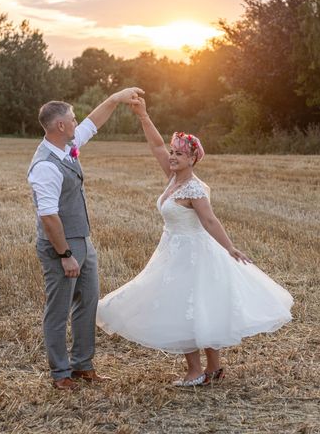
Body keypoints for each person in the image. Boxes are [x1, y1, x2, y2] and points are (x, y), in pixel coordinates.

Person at [96, 97, 293, 387]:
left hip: (193, 254)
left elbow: (210, 221)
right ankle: (212, 368)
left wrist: (230, 247)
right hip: (172, 250)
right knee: (196, 307)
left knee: (186, 306)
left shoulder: (193, 188)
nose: (172, 157)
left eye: (179, 154)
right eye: (173, 152)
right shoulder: (173, 178)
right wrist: (143, 116)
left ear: (192, 159)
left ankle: (196, 370)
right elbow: (156, 146)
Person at [28, 87, 143, 390]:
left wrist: (117, 98)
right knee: (58, 309)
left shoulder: (66, 147)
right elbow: (49, 217)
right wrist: (65, 255)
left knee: (87, 301)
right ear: (61, 126)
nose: (77, 123)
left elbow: (94, 122)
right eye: (73, 119)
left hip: (83, 240)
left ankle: (83, 366)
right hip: (61, 245)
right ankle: (60, 374)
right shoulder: (45, 166)